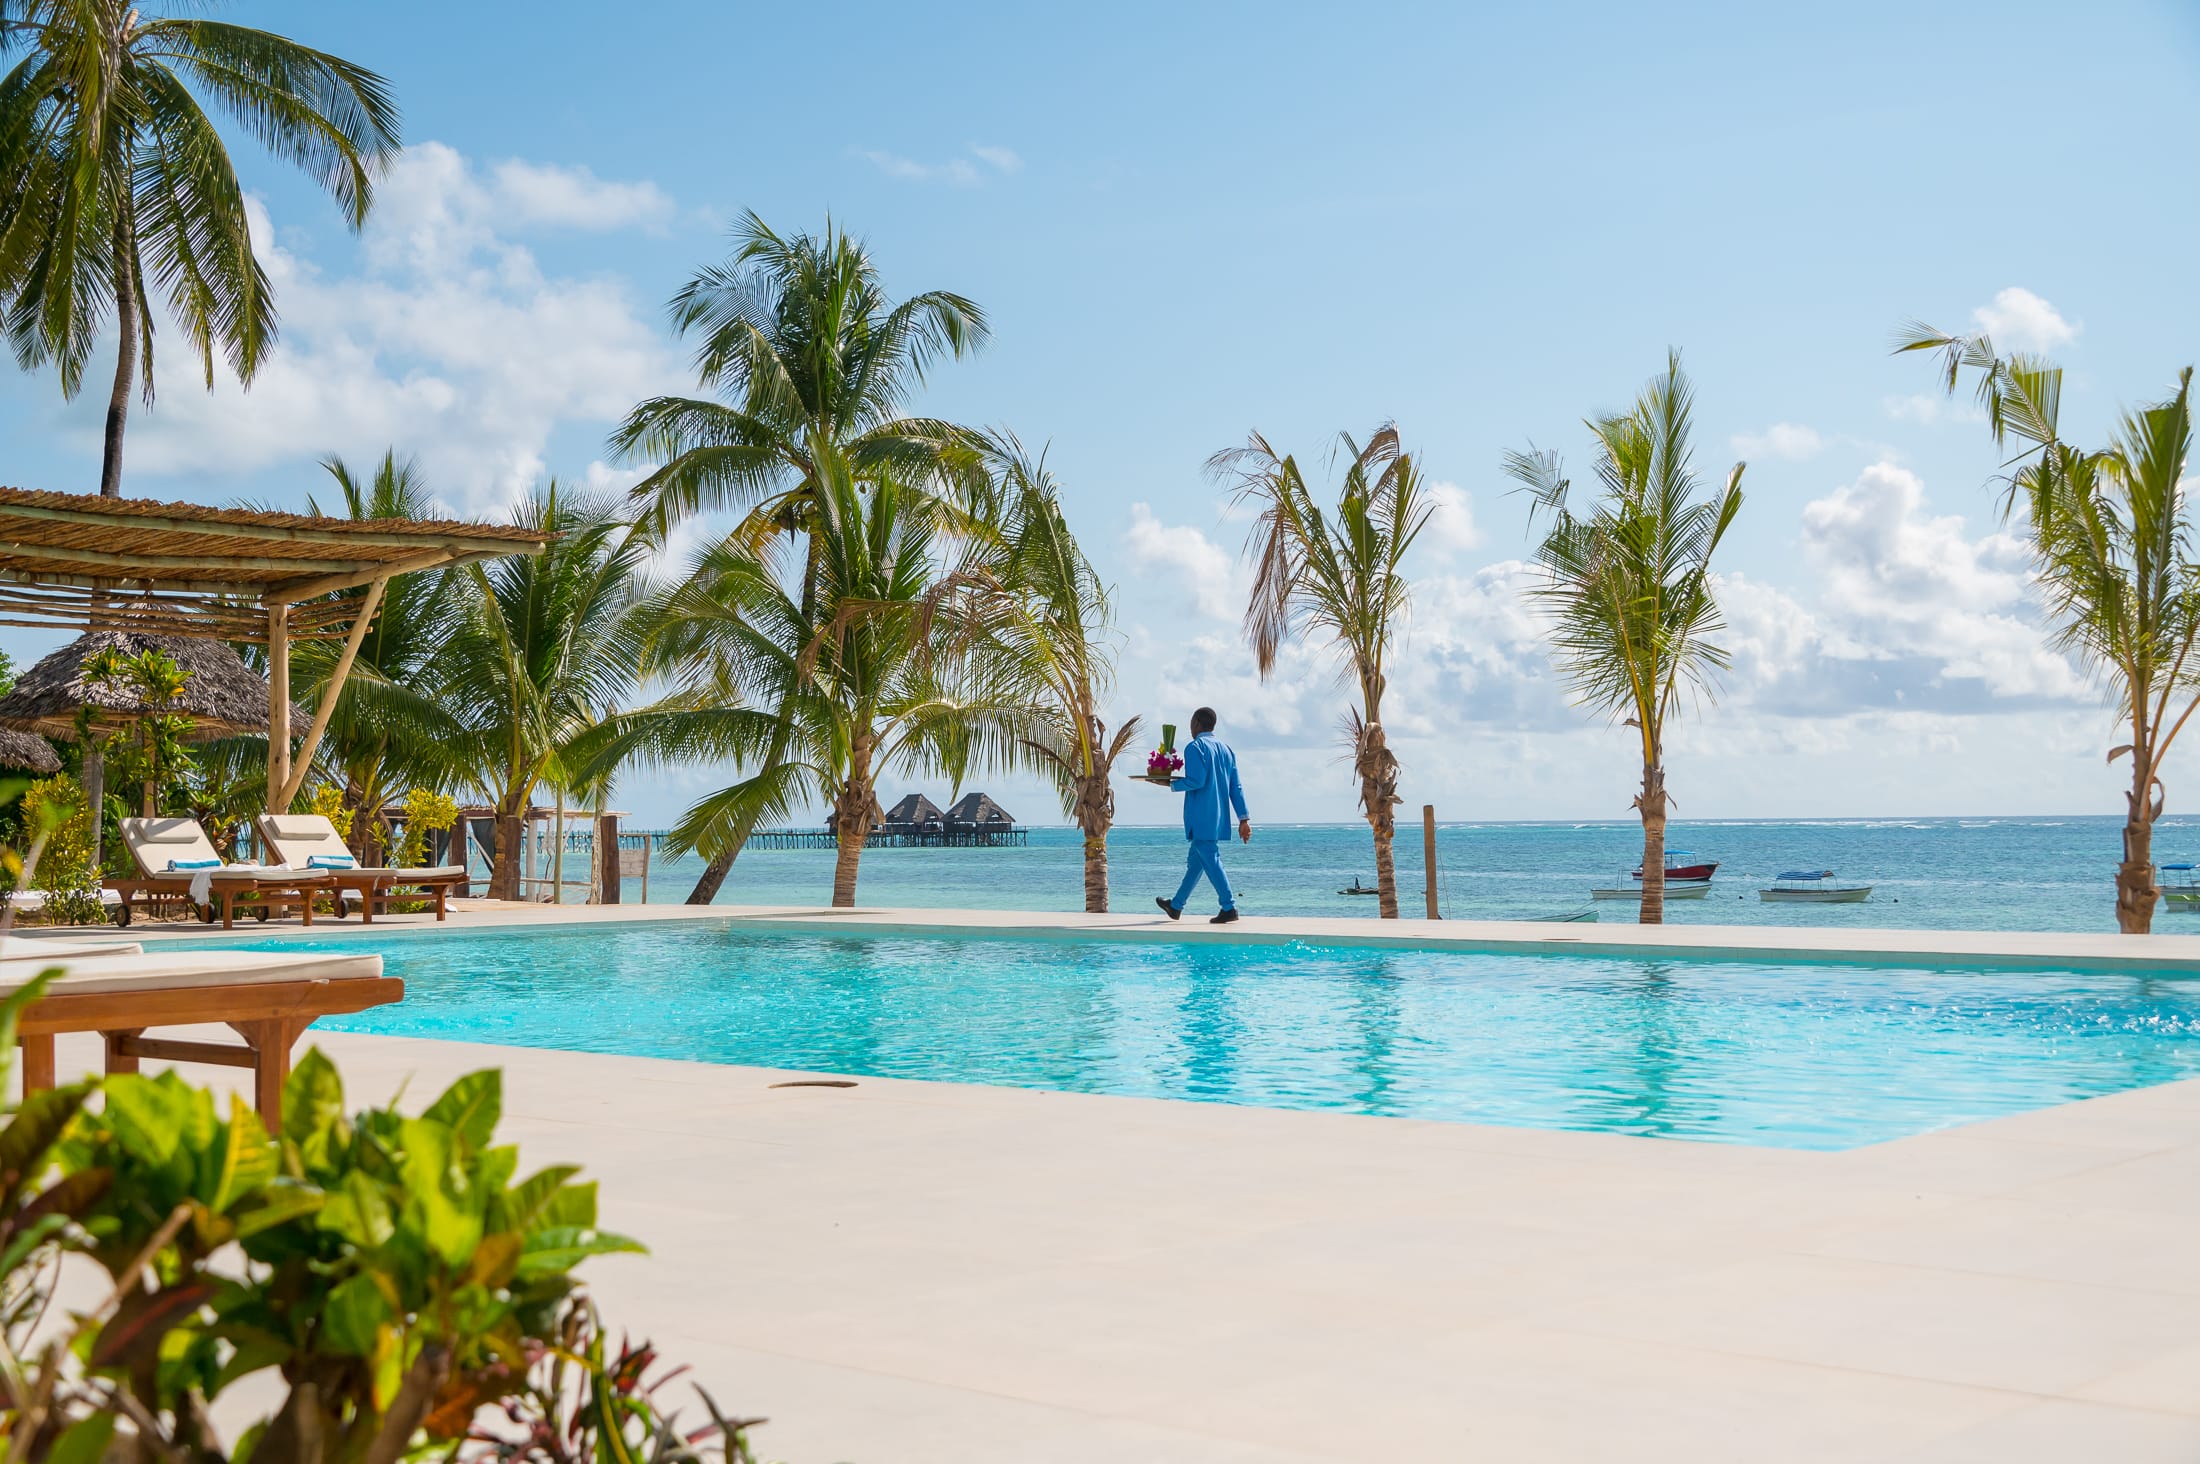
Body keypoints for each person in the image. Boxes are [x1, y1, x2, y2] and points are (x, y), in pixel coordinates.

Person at [1156, 706, 1251, 924]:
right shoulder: (1226, 750)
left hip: (1201, 816)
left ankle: (1229, 906)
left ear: (1197, 723)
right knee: (1197, 862)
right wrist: (1243, 818)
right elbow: (1235, 786)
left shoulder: (1195, 747)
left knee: (1210, 858)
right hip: (1218, 817)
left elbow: (1195, 781)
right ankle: (1176, 906)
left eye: (1191, 722)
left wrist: (1169, 784)